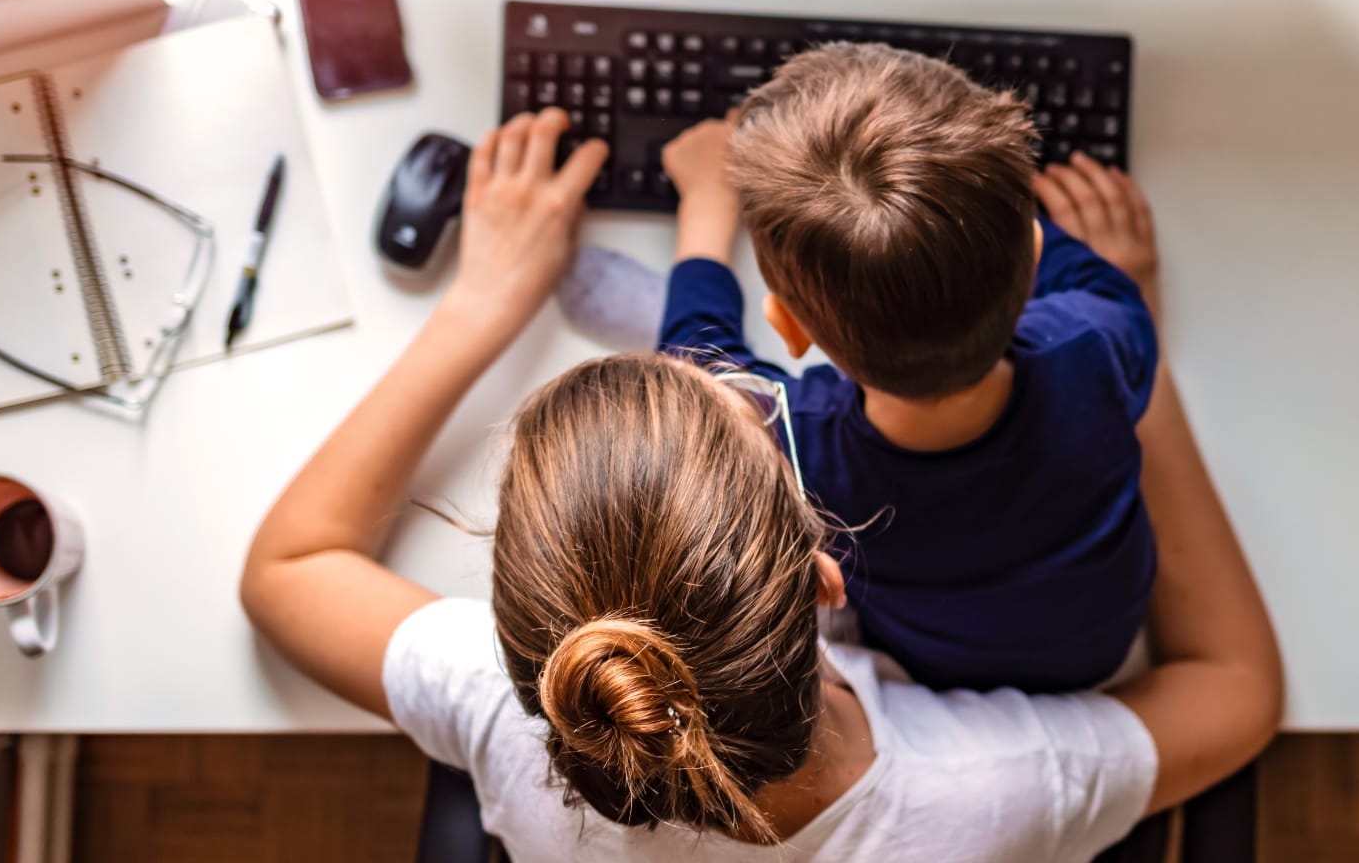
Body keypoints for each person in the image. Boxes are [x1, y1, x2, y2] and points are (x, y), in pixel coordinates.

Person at [239, 108, 1282, 860]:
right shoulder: (988, 795)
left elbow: (288, 570)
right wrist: (1129, 369)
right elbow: (1238, 691)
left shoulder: (526, 721)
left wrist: (483, 300)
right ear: (833, 581)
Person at [657, 44, 1161, 693]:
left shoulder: (798, 446)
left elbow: (694, 372)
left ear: (788, 328)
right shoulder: (1100, 335)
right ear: (1034, 259)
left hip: (934, 667)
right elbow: (1092, 282)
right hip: (1097, 648)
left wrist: (704, 208)